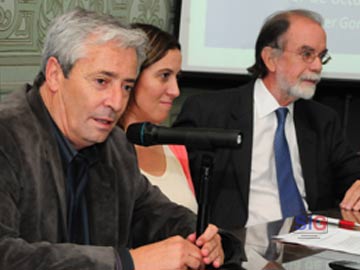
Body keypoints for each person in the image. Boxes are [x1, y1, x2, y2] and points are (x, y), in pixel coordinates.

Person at [0, 9, 232, 270]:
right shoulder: (7, 135)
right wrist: (128, 262)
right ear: (55, 74)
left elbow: (149, 212)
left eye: (126, 87)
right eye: (101, 81)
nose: (117, 102)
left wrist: (199, 235)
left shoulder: (115, 146)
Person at [174, 9, 360, 229]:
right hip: (238, 247)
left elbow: (351, 171)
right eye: (307, 54)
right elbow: (178, 191)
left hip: (310, 243)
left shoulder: (322, 120)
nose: (317, 66)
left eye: (321, 56)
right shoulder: (209, 112)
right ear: (271, 59)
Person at [119, 23, 197, 213]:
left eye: (177, 77)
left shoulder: (176, 148)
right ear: (132, 77)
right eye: (164, 76)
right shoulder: (103, 149)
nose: (175, 91)